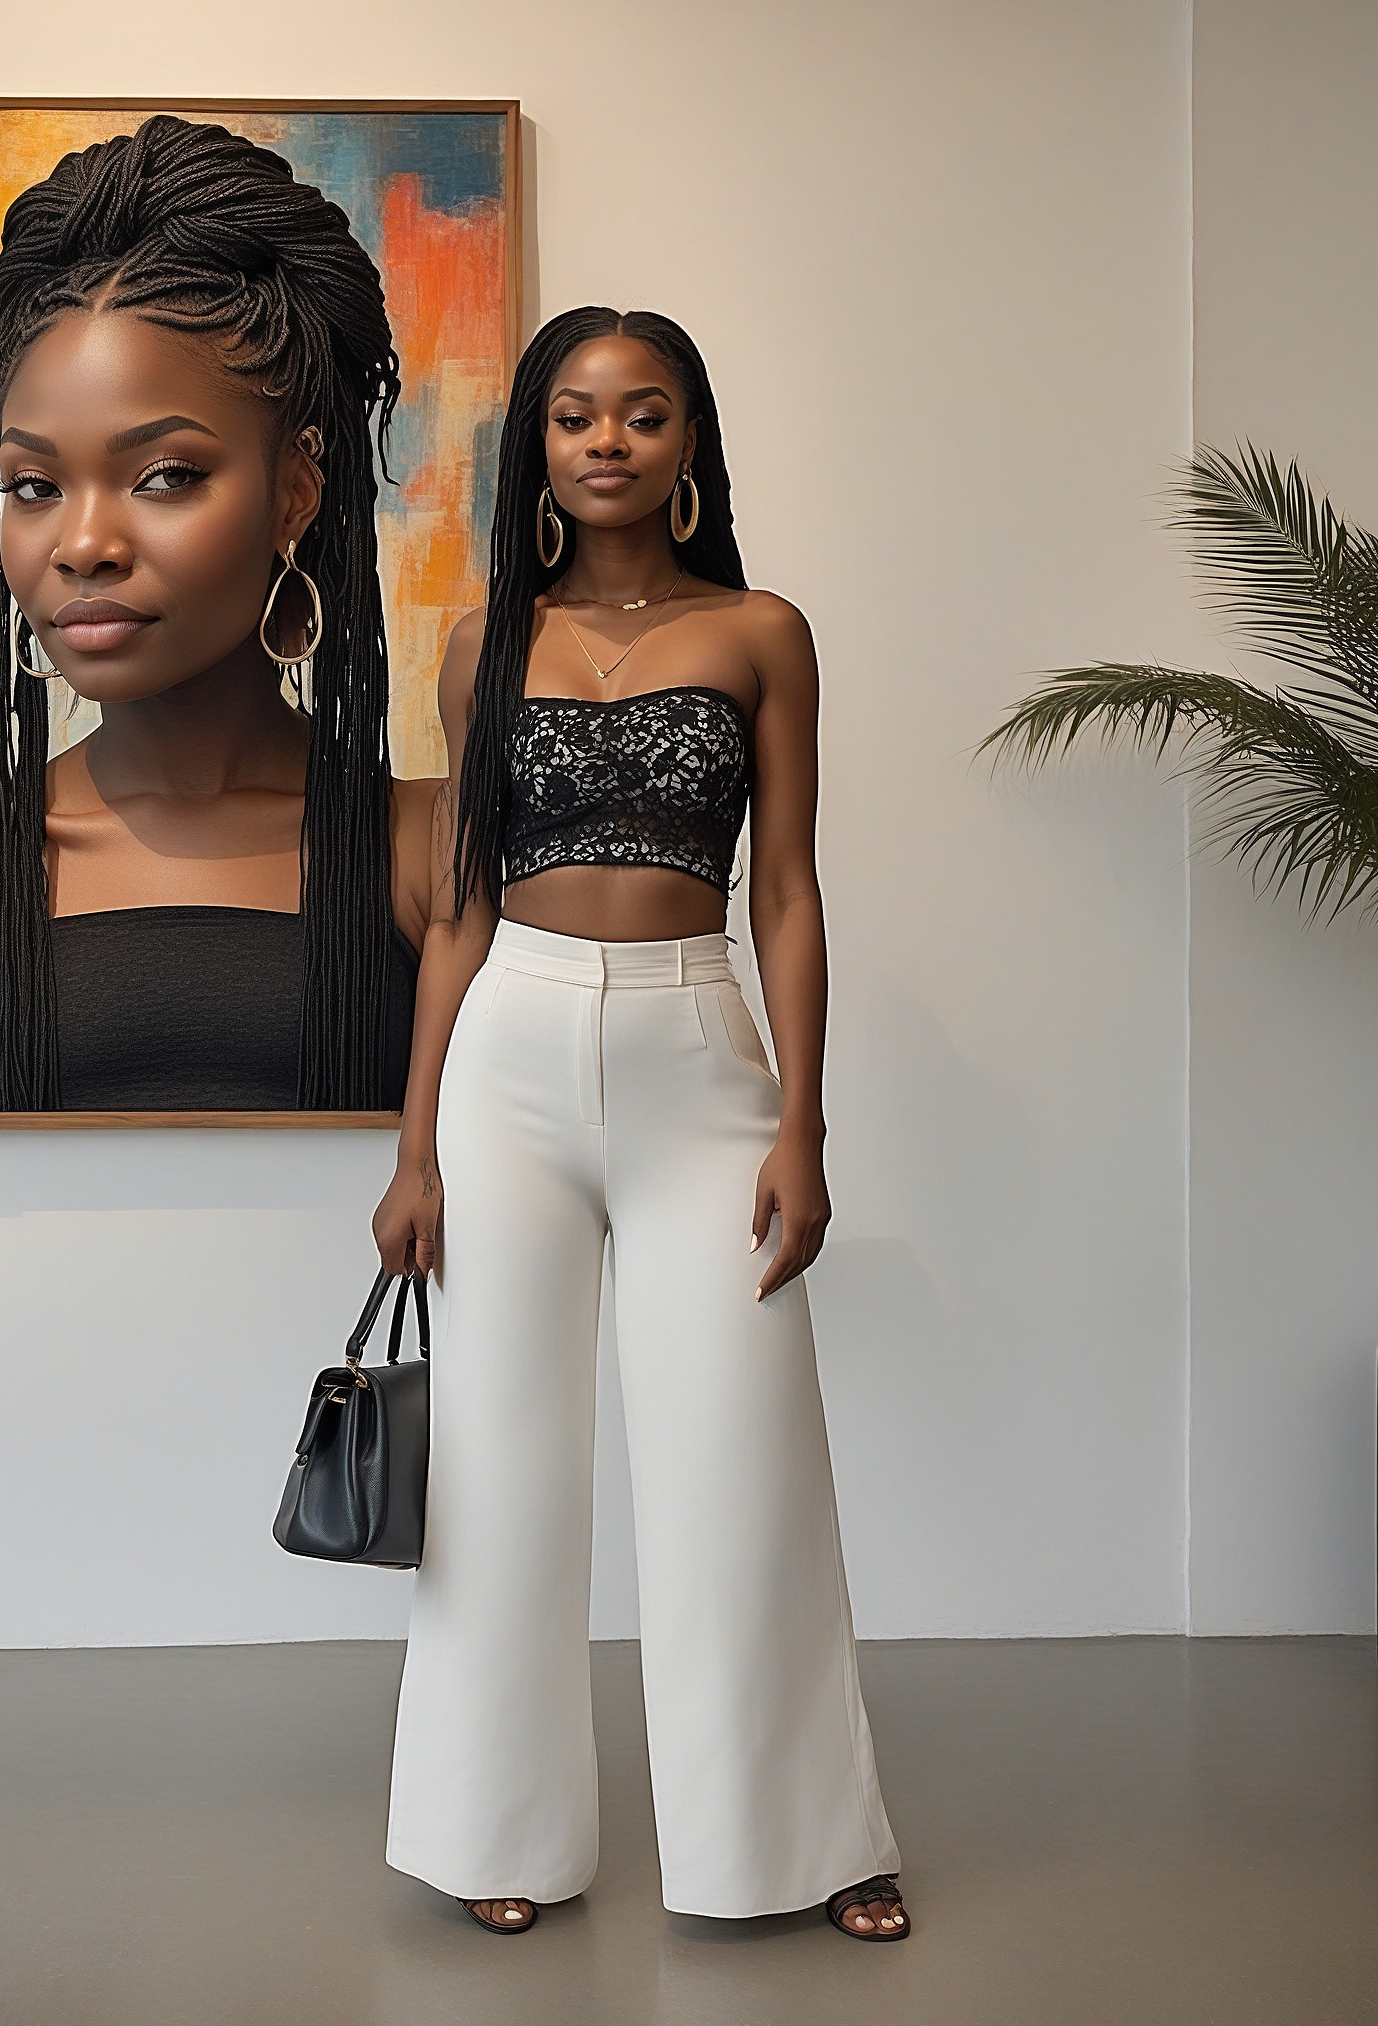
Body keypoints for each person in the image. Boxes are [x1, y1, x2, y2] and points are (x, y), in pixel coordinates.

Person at [372, 308, 906, 1941]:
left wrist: (801, 1123)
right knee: (496, 1464)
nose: (607, 441)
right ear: (534, 443)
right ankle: (495, 1829)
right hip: (509, 1055)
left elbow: (794, 893)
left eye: (643, 413)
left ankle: (799, 1839)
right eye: (575, 415)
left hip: (698, 1049)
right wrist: (411, 1147)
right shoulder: (480, 641)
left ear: (689, 443)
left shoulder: (761, 630)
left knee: (739, 1459)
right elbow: (458, 903)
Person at [0, 116, 432, 1113]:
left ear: (295, 494)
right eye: (34, 485)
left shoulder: (435, 856)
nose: (83, 542)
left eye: (165, 474)